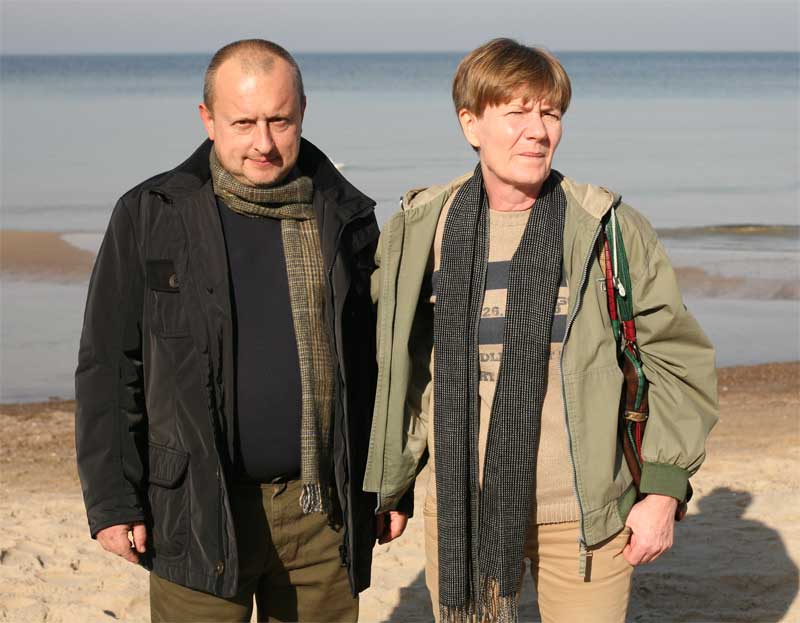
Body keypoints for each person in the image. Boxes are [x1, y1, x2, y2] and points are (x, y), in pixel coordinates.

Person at [363, 38, 719, 623]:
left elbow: (677, 362)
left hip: (586, 516)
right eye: (517, 112)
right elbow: (401, 370)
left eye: (551, 113)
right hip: (463, 508)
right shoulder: (422, 228)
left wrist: (662, 490)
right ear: (470, 124)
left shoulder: (605, 227)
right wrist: (391, 483)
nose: (538, 132)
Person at [75, 39, 386, 622]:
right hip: (196, 508)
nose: (263, 142)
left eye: (279, 121)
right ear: (208, 119)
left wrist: (388, 487)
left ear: (303, 113)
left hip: (324, 513)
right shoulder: (151, 214)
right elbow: (110, 368)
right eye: (243, 122)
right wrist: (113, 499)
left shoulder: (347, 217)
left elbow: (376, 367)